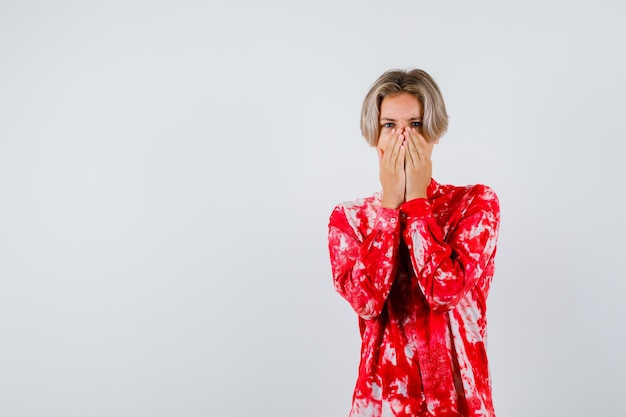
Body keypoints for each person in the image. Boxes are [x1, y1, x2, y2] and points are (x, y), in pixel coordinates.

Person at [327, 69, 500, 417]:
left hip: (458, 401)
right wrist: (389, 208)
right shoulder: (350, 219)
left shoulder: (475, 204)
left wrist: (418, 203)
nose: (402, 137)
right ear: (375, 135)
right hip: (383, 401)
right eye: (389, 125)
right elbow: (367, 302)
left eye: (415, 125)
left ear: (434, 133)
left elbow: (443, 291)